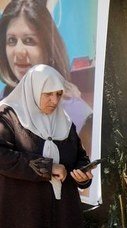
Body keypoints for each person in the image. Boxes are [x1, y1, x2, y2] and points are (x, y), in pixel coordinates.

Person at [0, 64, 95, 228]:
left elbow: (80, 159)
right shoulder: (8, 118)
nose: (54, 101)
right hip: (24, 211)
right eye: (48, 95)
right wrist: (45, 167)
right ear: (32, 92)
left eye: (58, 94)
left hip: (63, 210)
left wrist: (82, 176)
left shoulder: (65, 122)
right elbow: (3, 157)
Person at [0, 0, 92, 138]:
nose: (19, 51)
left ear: (48, 49)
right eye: (12, 41)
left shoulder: (76, 113)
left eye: (29, 40)